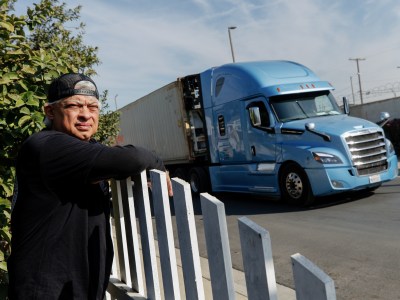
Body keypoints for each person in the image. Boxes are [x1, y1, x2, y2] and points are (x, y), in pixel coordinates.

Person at [7, 73, 173, 299]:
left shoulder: (80, 148)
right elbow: (130, 159)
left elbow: (114, 160)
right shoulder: (47, 146)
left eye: (93, 107)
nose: (85, 115)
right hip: (47, 291)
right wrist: (157, 163)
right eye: (74, 106)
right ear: (50, 112)